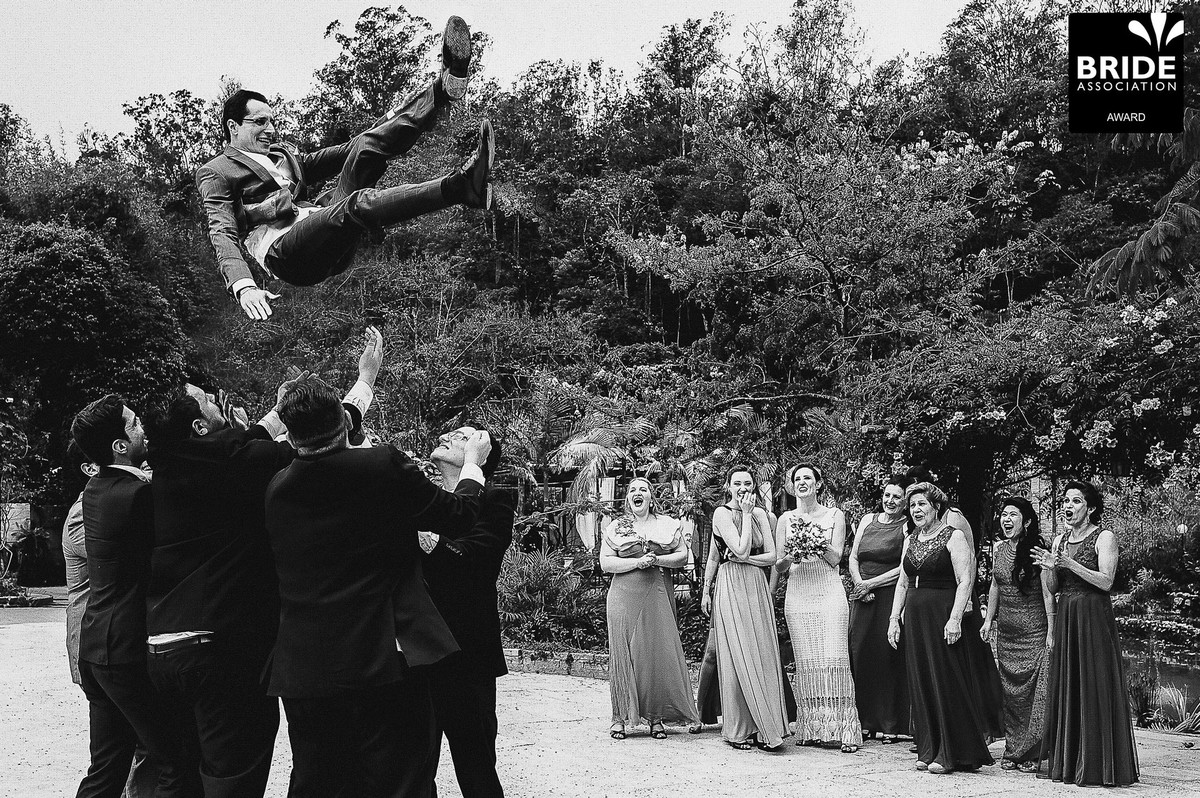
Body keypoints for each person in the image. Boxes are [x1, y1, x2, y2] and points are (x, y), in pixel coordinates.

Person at [142, 329, 383, 797]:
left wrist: (277, 408)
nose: (213, 400)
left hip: (161, 647)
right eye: (206, 401)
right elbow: (322, 432)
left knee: (180, 777)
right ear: (198, 426)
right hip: (218, 647)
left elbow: (249, 438)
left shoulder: (170, 462)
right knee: (234, 773)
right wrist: (365, 380)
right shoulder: (235, 462)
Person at [264, 379, 492, 797]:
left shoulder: (276, 489)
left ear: (290, 433)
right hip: (383, 663)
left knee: (318, 785)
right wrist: (473, 463)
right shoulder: (381, 466)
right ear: (342, 421)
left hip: (305, 671)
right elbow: (459, 516)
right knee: (401, 783)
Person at [197, 16, 494, 321]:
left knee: (364, 146)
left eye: (272, 121)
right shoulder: (216, 171)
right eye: (260, 122)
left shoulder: (282, 154)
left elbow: (350, 149)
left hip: (322, 225)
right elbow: (221, 230)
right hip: (288, 253)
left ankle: (444, 89)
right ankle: (461, 187)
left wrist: (418, 105)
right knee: (355, 204)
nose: (270, 129)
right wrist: (244, 287)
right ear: (233, 127)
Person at [69, 396, 201, 798]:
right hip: (125, 653)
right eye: (136, 423)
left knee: (106, 769)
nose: (144, 427)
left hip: (95, 649)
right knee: (177, 763)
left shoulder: (95, 488)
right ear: (120, 446)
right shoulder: (136, 495)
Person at [418, 425, 512, 798]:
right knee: (413, 771)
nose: (447, 436)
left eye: (462, 436)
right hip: (414, 654)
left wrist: (427, 538)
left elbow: (477, 560)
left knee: (476, 771)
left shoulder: (496, 501)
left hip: (467, 654)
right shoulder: (420, 495)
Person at [61, 443, 158, 798]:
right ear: (90, 469)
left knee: (117, 753)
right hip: (101, 638)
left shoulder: (106, 498)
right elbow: (121, 548)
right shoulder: (83, 512)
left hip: (106, 638)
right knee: (142, 749)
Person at [1033, 481, 1139, 786]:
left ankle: (1098, 764)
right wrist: (1051, 567)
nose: (1068, 506)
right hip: (1067, 615)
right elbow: (1053, 588)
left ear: (1090, 508)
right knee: (1070, 684)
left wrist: (1069, 563)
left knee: (1094, 683)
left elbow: (1106, 581)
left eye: (1076, 501)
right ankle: (1069, 761)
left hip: (1093, 616)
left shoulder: (1104, 537)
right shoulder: (1059, 541)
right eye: (1065, 501)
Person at [887, 481, 994, 775]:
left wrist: (956, 618)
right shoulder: (910, 539)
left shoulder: (953, 535)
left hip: (942, 612)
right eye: (913, 505)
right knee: (921, 681)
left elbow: (965, 580)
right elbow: (902, 582)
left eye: (922, 504)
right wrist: (894, 618)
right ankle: (928, 748)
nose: (917, 510)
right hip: (916, 617)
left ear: (936, 507)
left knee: (945, 680)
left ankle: (952, 752)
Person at [600, 477, 699, 740]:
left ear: (651, 497)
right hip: (622, 596)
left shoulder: (666, 524)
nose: (637, 492)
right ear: (627, 499)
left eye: (643, 489)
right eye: (632, 489)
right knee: (623, 654)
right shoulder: (616, 527)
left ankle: (656, 718)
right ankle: (619, 718)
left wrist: (657, 560)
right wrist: (636, 563)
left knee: (654, 654)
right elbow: (606, 564)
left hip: (656, 594)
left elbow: (682, 555)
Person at [775, 463, 862, 753]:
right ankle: (812, 727)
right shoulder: (785, 519)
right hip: (799, 593)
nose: (802, 482)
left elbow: (836, 557)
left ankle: (845, 731)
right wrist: (792, 553)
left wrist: (815, 541)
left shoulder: (834, 515)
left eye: (807, 478)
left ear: (818, 483)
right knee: (807, 661)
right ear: (792, 486)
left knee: (834, 655)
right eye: (797, 479)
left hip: (828, 591)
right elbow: (779, 564)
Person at [704, 466, 790, 751]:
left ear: (754, 487)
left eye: (748, 483)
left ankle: (767, 727)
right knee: (737, 653)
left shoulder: (763, 514)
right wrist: (745, 515)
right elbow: (739, 550)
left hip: (756, 586)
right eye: (737, 483)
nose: (743, 488)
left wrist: (747, 558)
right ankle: (739, 729)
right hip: (731, 586)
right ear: (728, 486)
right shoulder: (721, 514)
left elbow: (772, 556)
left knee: (762, 651)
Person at [979, 496, 1053, 772]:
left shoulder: (1037, 551)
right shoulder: (999, 549)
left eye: (1013, 515)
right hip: (1007, 633)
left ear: (1027, 521)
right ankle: (1012, 751)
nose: (1006, 520)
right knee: (1010, 695)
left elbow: (1048, 593)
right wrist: (988, 621)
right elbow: (996, 586)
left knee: (1032, 694)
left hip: (1034, 631)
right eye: (1004, 515)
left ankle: (1031, 754)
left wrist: (1051, 631)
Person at [847, 476, 910, 744]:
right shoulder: (867, 520)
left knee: (887, 657)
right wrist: (860, 584)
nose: (890, 501)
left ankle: (889, 723)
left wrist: (870, 583)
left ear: (905, 501)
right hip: (862, 597)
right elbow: (853, 557)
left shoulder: (907, 526)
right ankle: (864, 721)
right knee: (860, 654)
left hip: (888, 595)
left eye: (896, 497)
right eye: (887, 495)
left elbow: (905, 567)